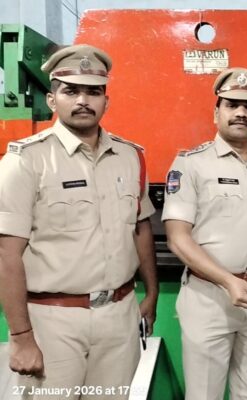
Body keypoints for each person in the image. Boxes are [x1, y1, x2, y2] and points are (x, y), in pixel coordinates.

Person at [0, 44, 158, 397]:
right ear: (52, 99)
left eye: (93, 91)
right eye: (71, 91)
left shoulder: (130, 157)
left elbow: (140, 227)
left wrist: (152, 292)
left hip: (119, 317)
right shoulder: (25, 161)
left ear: (106, 101)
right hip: (53, 322)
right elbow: (6, 255)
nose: (83, 100)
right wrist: (21, 337)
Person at [163, 67, 247, 400]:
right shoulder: (190, 163)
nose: (241, 113)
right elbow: (178, 238)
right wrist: (227, 281)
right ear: (216, 112)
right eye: (232, 104)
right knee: (204, 394)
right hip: (210, 298)